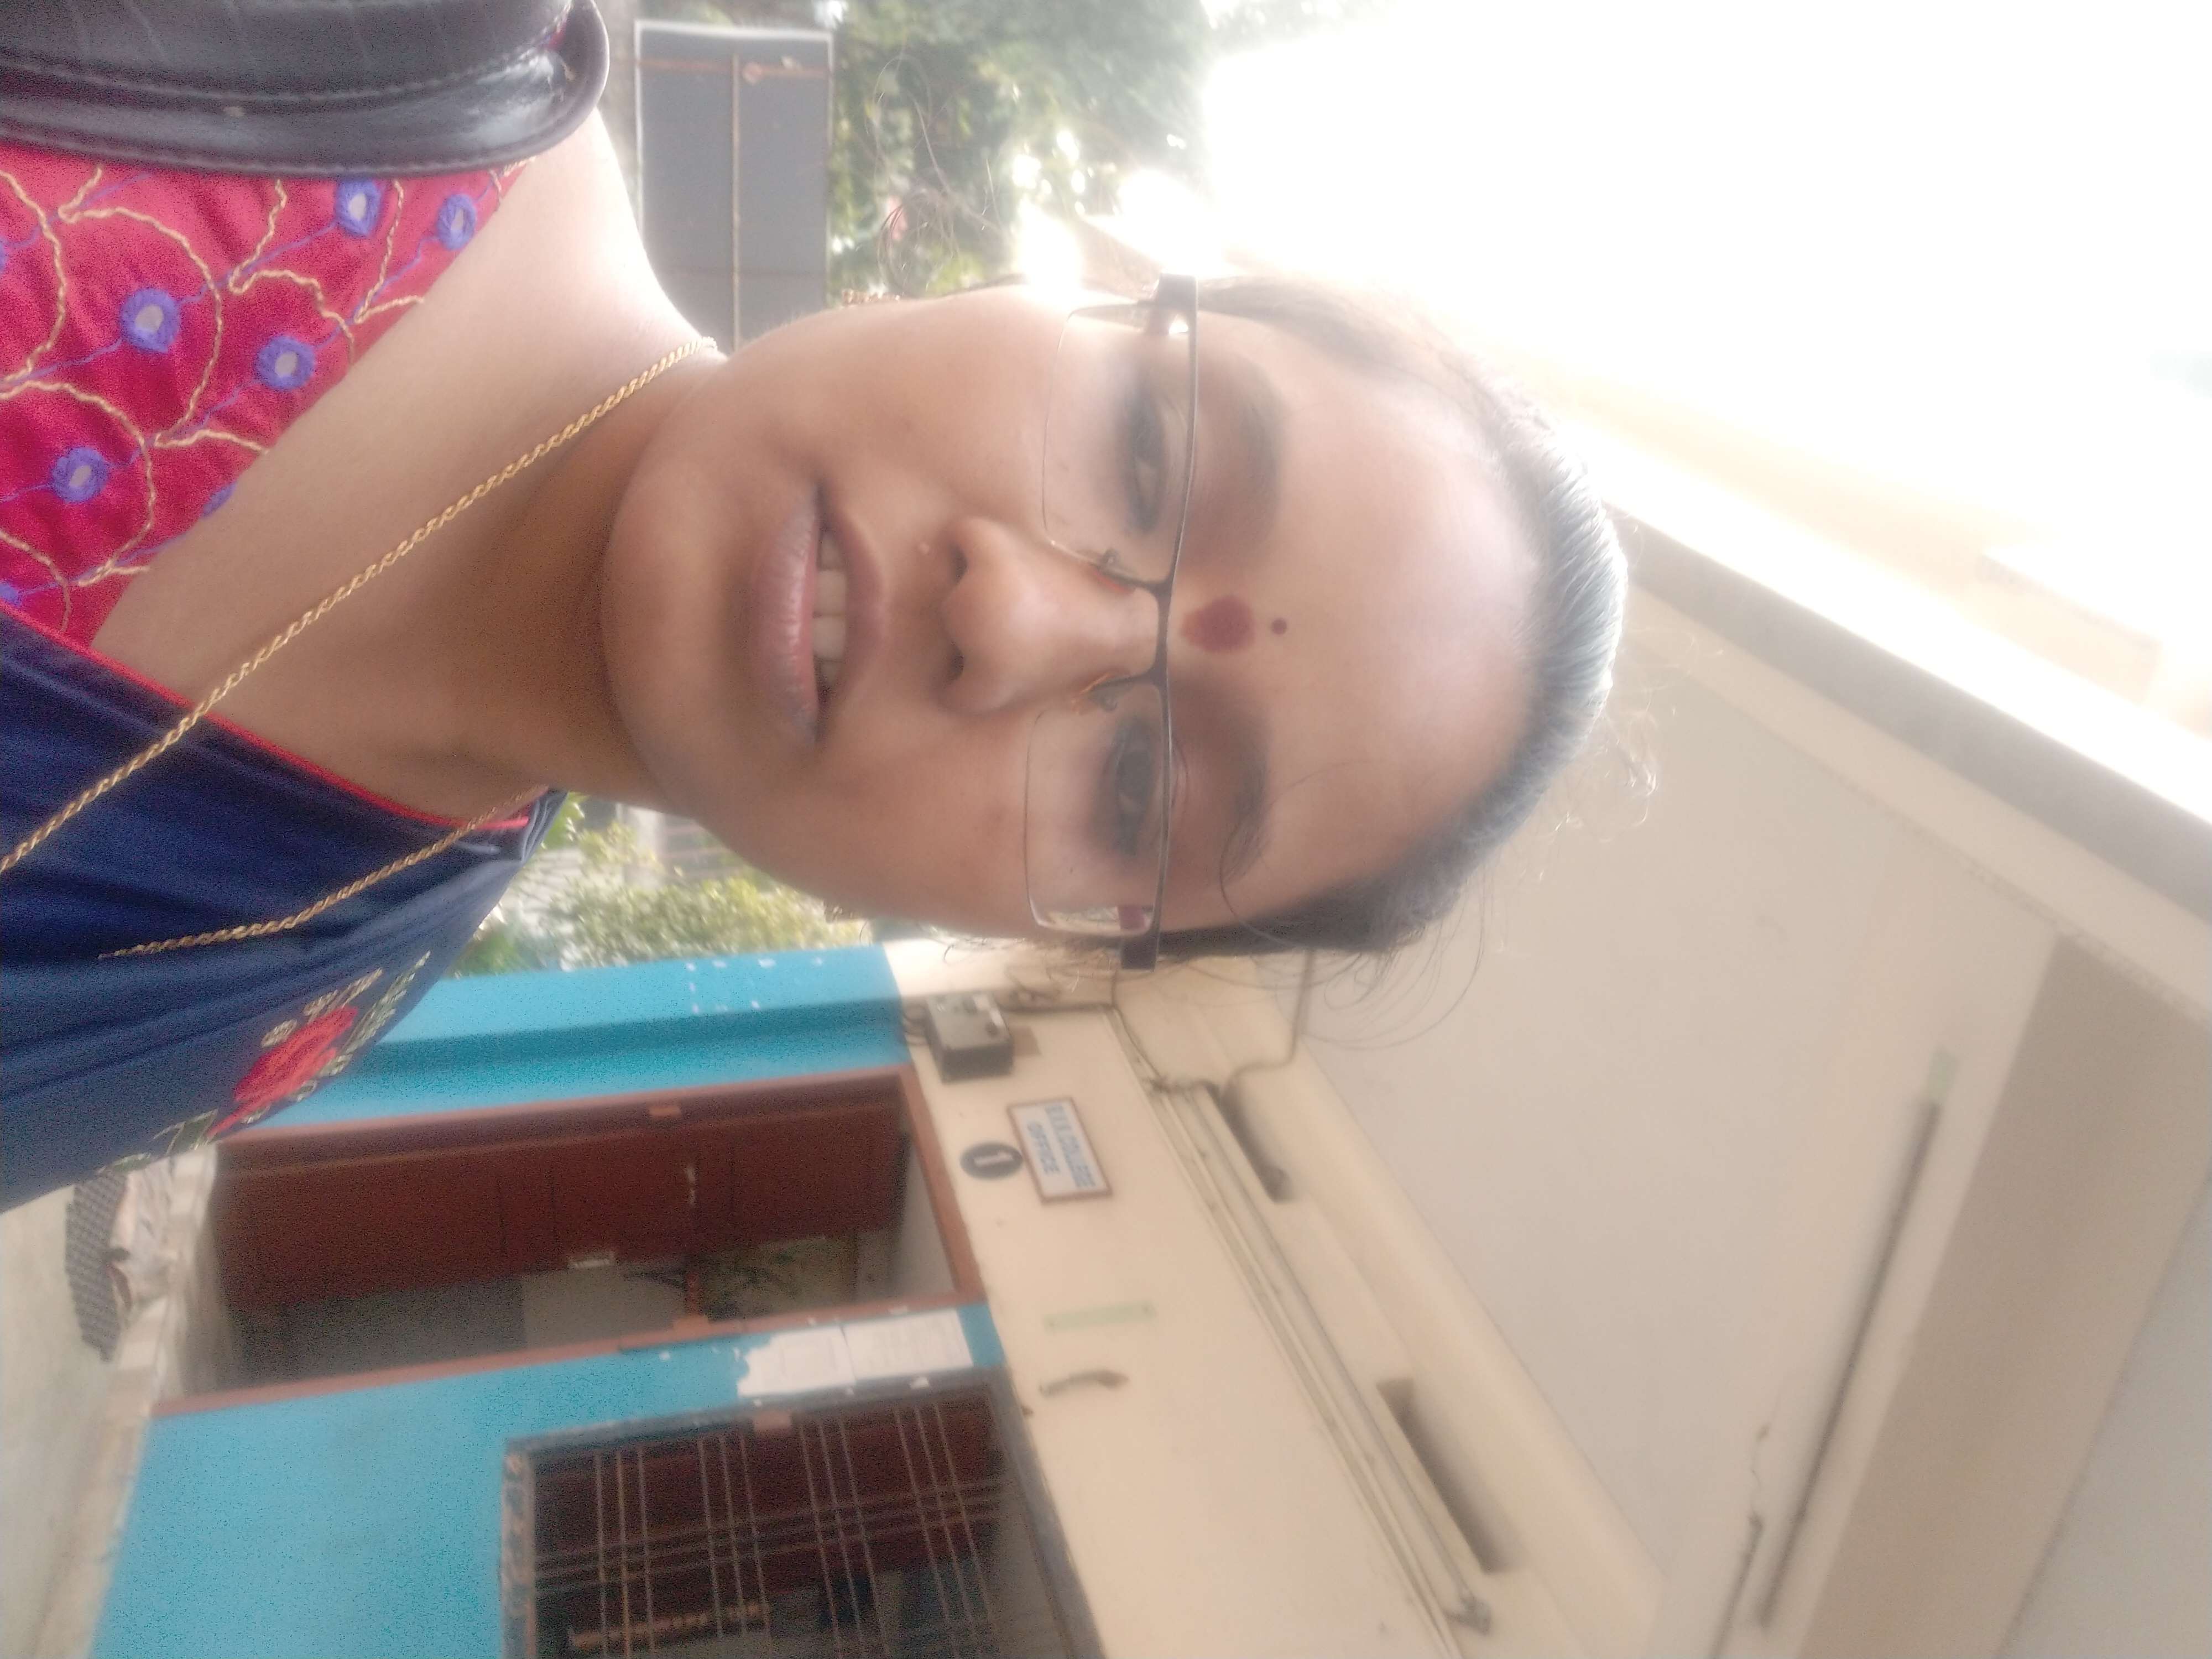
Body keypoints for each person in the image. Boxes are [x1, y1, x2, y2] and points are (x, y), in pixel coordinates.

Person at [0, 2, 1624, 1205]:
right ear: (1060, 289)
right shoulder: (366, 45)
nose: (1017, 626)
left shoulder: (291, 1005)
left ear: (1030, 937)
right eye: (1149, 450)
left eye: (1137, 788)